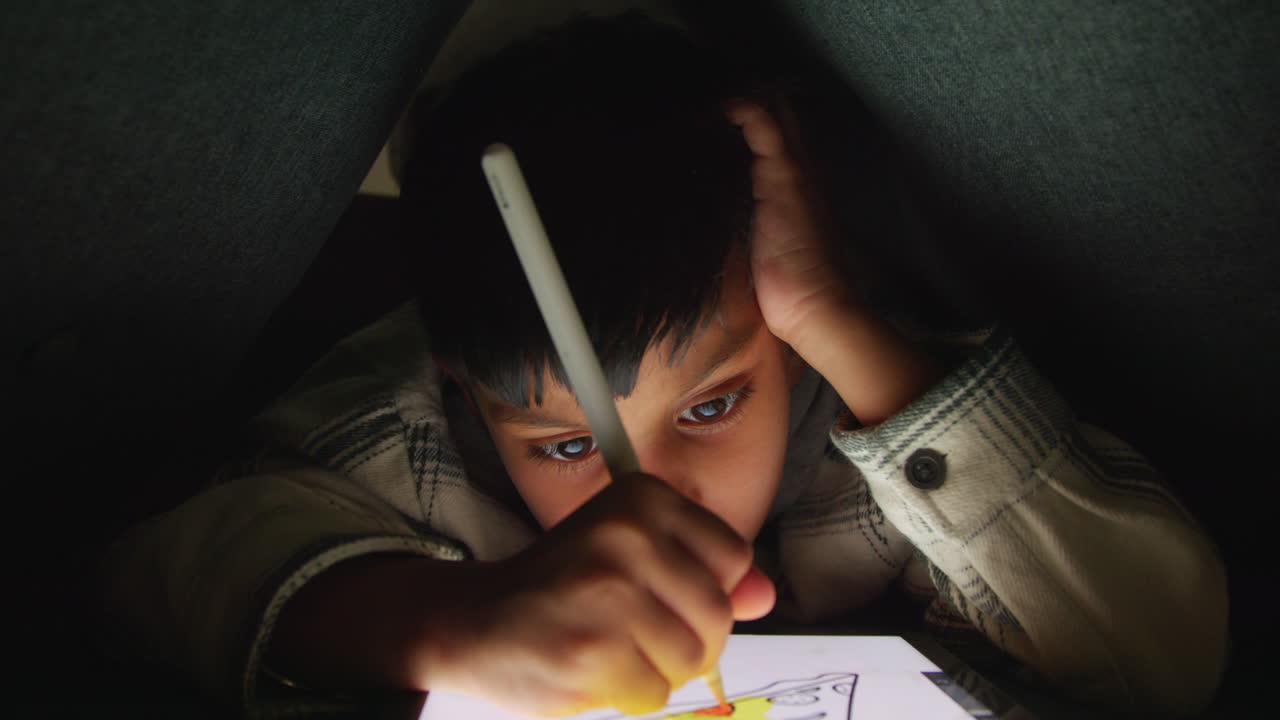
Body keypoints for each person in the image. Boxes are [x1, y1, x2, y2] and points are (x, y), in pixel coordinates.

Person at [100, 12, 1228, 718]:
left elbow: (1159, 661)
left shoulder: (873, 388)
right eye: (566, 442)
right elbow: (156, 580)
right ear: (459, 386)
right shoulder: (400, 429)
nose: (652, 494)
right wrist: (451, 623)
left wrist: (833, 318)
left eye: (714, 401)